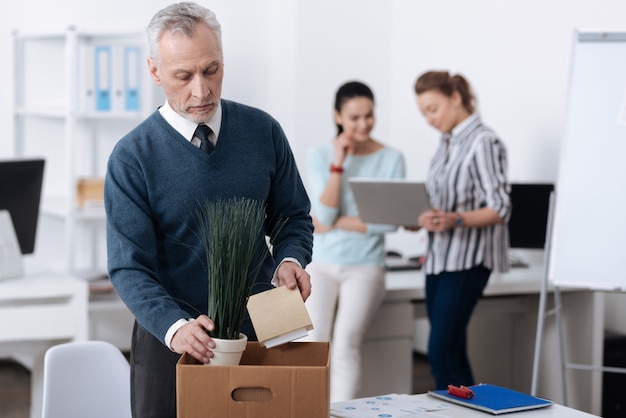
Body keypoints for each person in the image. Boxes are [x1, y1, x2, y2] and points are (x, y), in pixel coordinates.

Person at [103, 3, 314, 417]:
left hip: (264, 329)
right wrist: (176, 327)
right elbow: (129, 268)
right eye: (183, 76)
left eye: (211, 70)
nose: (201, 91)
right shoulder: (131, 157)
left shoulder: (263, 131)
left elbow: (293, 216)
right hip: (173, 339)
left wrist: (291, 258)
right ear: (155, 71)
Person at [303, 81, 406, 402]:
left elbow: (388, 222)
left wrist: (333, 224)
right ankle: (310, 408)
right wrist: (338, 163)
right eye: (354, 117)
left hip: (365, 266)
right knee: (314, 340)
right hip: (321, 263)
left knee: (346, 342)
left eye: (369, 116)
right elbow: (325, 210)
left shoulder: (391, 158)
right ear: (338, 116)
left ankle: (340, 412)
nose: (363, 124)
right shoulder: (320, 155)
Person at [411, 70, 511, 390]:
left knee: (439, 353)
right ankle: (472, 410)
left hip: (468, 259)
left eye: (433, 108)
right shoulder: (446, 143)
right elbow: (443, 199)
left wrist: (455, 219)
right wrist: (422, 217)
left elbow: (500, 207)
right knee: (451, 350)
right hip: (440, 257)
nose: (428, 118)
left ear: (455, 98)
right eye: (423, 112)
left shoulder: (483, 141)